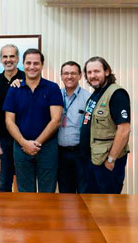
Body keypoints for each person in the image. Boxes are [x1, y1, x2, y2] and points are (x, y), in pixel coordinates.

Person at [3, 48, 63, 193]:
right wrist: (24, 143)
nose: (32, 67)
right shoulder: (14, 89)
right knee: (24, 193)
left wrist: (37, 143)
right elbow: (9, 121)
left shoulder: (52, 88)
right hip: (21, 147)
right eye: (28, 63)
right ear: (23, 64)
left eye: (36, 63)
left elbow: (56, 120)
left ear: (42, 65)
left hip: (47, 148)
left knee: (47, 192)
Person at [80, 56, 130, 194]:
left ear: (106, 71)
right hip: (93, 161)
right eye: (89, 73)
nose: (92, 76)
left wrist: (111, 160)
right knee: (92, 208)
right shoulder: (96, 94)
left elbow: (124, 130)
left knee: (108, 209)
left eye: (96, 71)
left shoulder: (116, 94)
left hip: (106, 163)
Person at [0, 44, 25, 192]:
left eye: (11, 56)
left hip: (23, 137)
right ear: (1, 59)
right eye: (5, 56)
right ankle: (4, 213)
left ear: (17, 58)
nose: (8, 60)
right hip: (1, 137)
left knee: (23, 179)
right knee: (4, 181)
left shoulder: (27, 79)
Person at [57, 61, 91, 193]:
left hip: (81, 153)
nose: (69, 76)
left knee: (84, 192)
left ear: (80, 76)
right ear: (61, 76)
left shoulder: (88, 98)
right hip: (60, 153)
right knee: (65, 194)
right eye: (66, 73)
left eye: (73, 73)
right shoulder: (55, 95)